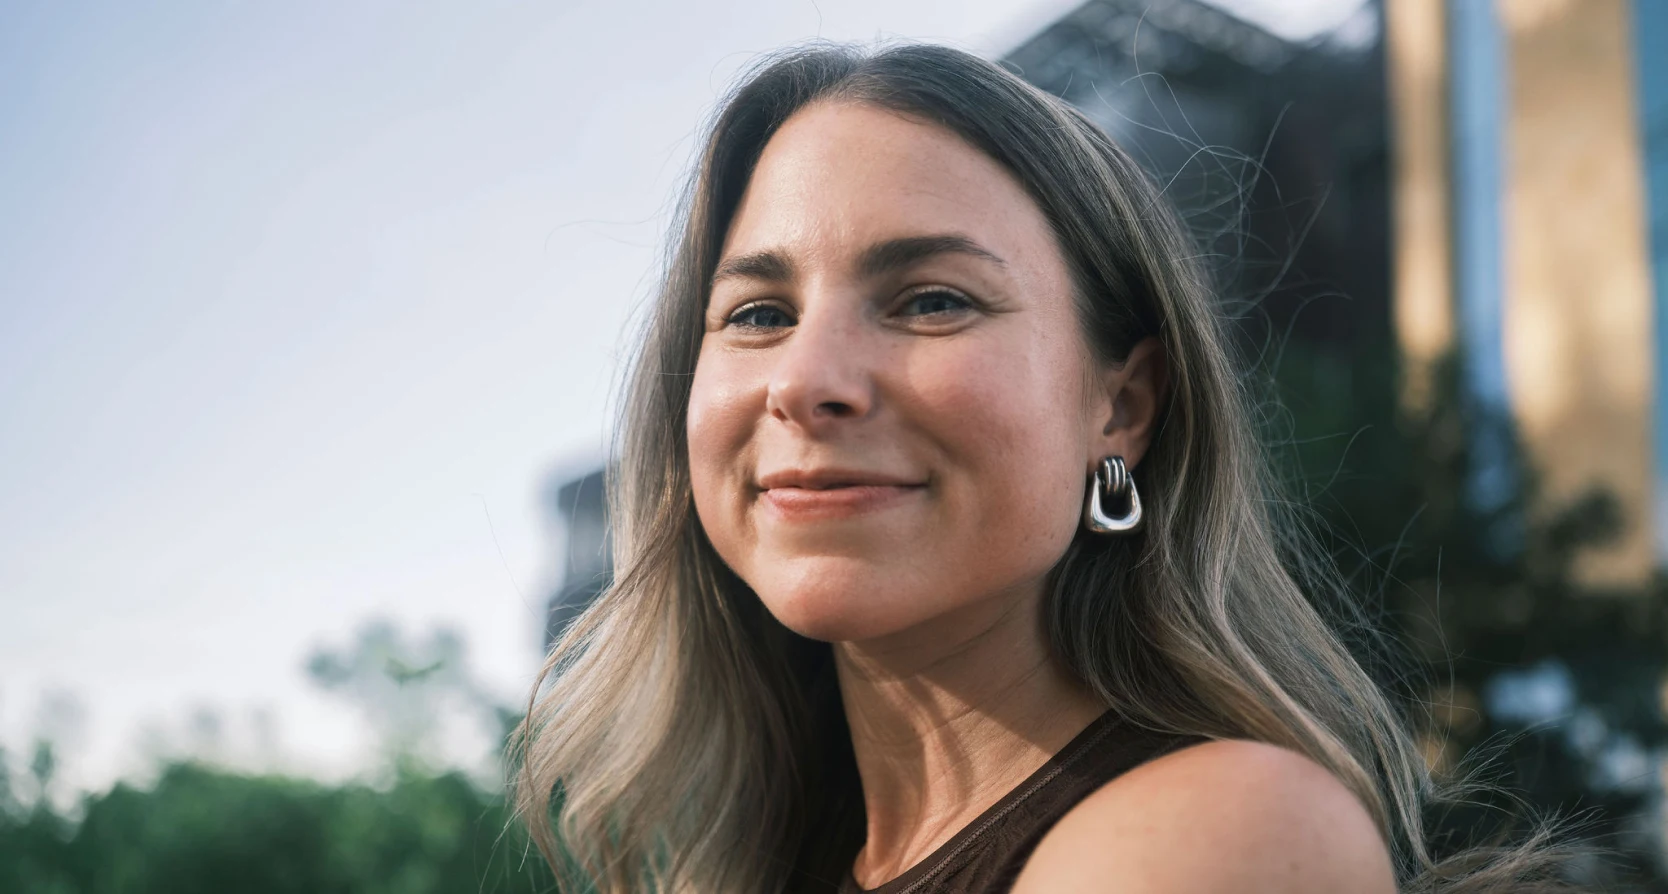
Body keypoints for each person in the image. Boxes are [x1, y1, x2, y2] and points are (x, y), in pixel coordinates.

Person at [515, 42, 1575, 894]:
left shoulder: (1219, 836)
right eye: (758, 313)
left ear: (1120, 407)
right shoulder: (787, 859)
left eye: (932, 299)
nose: (806, 380)